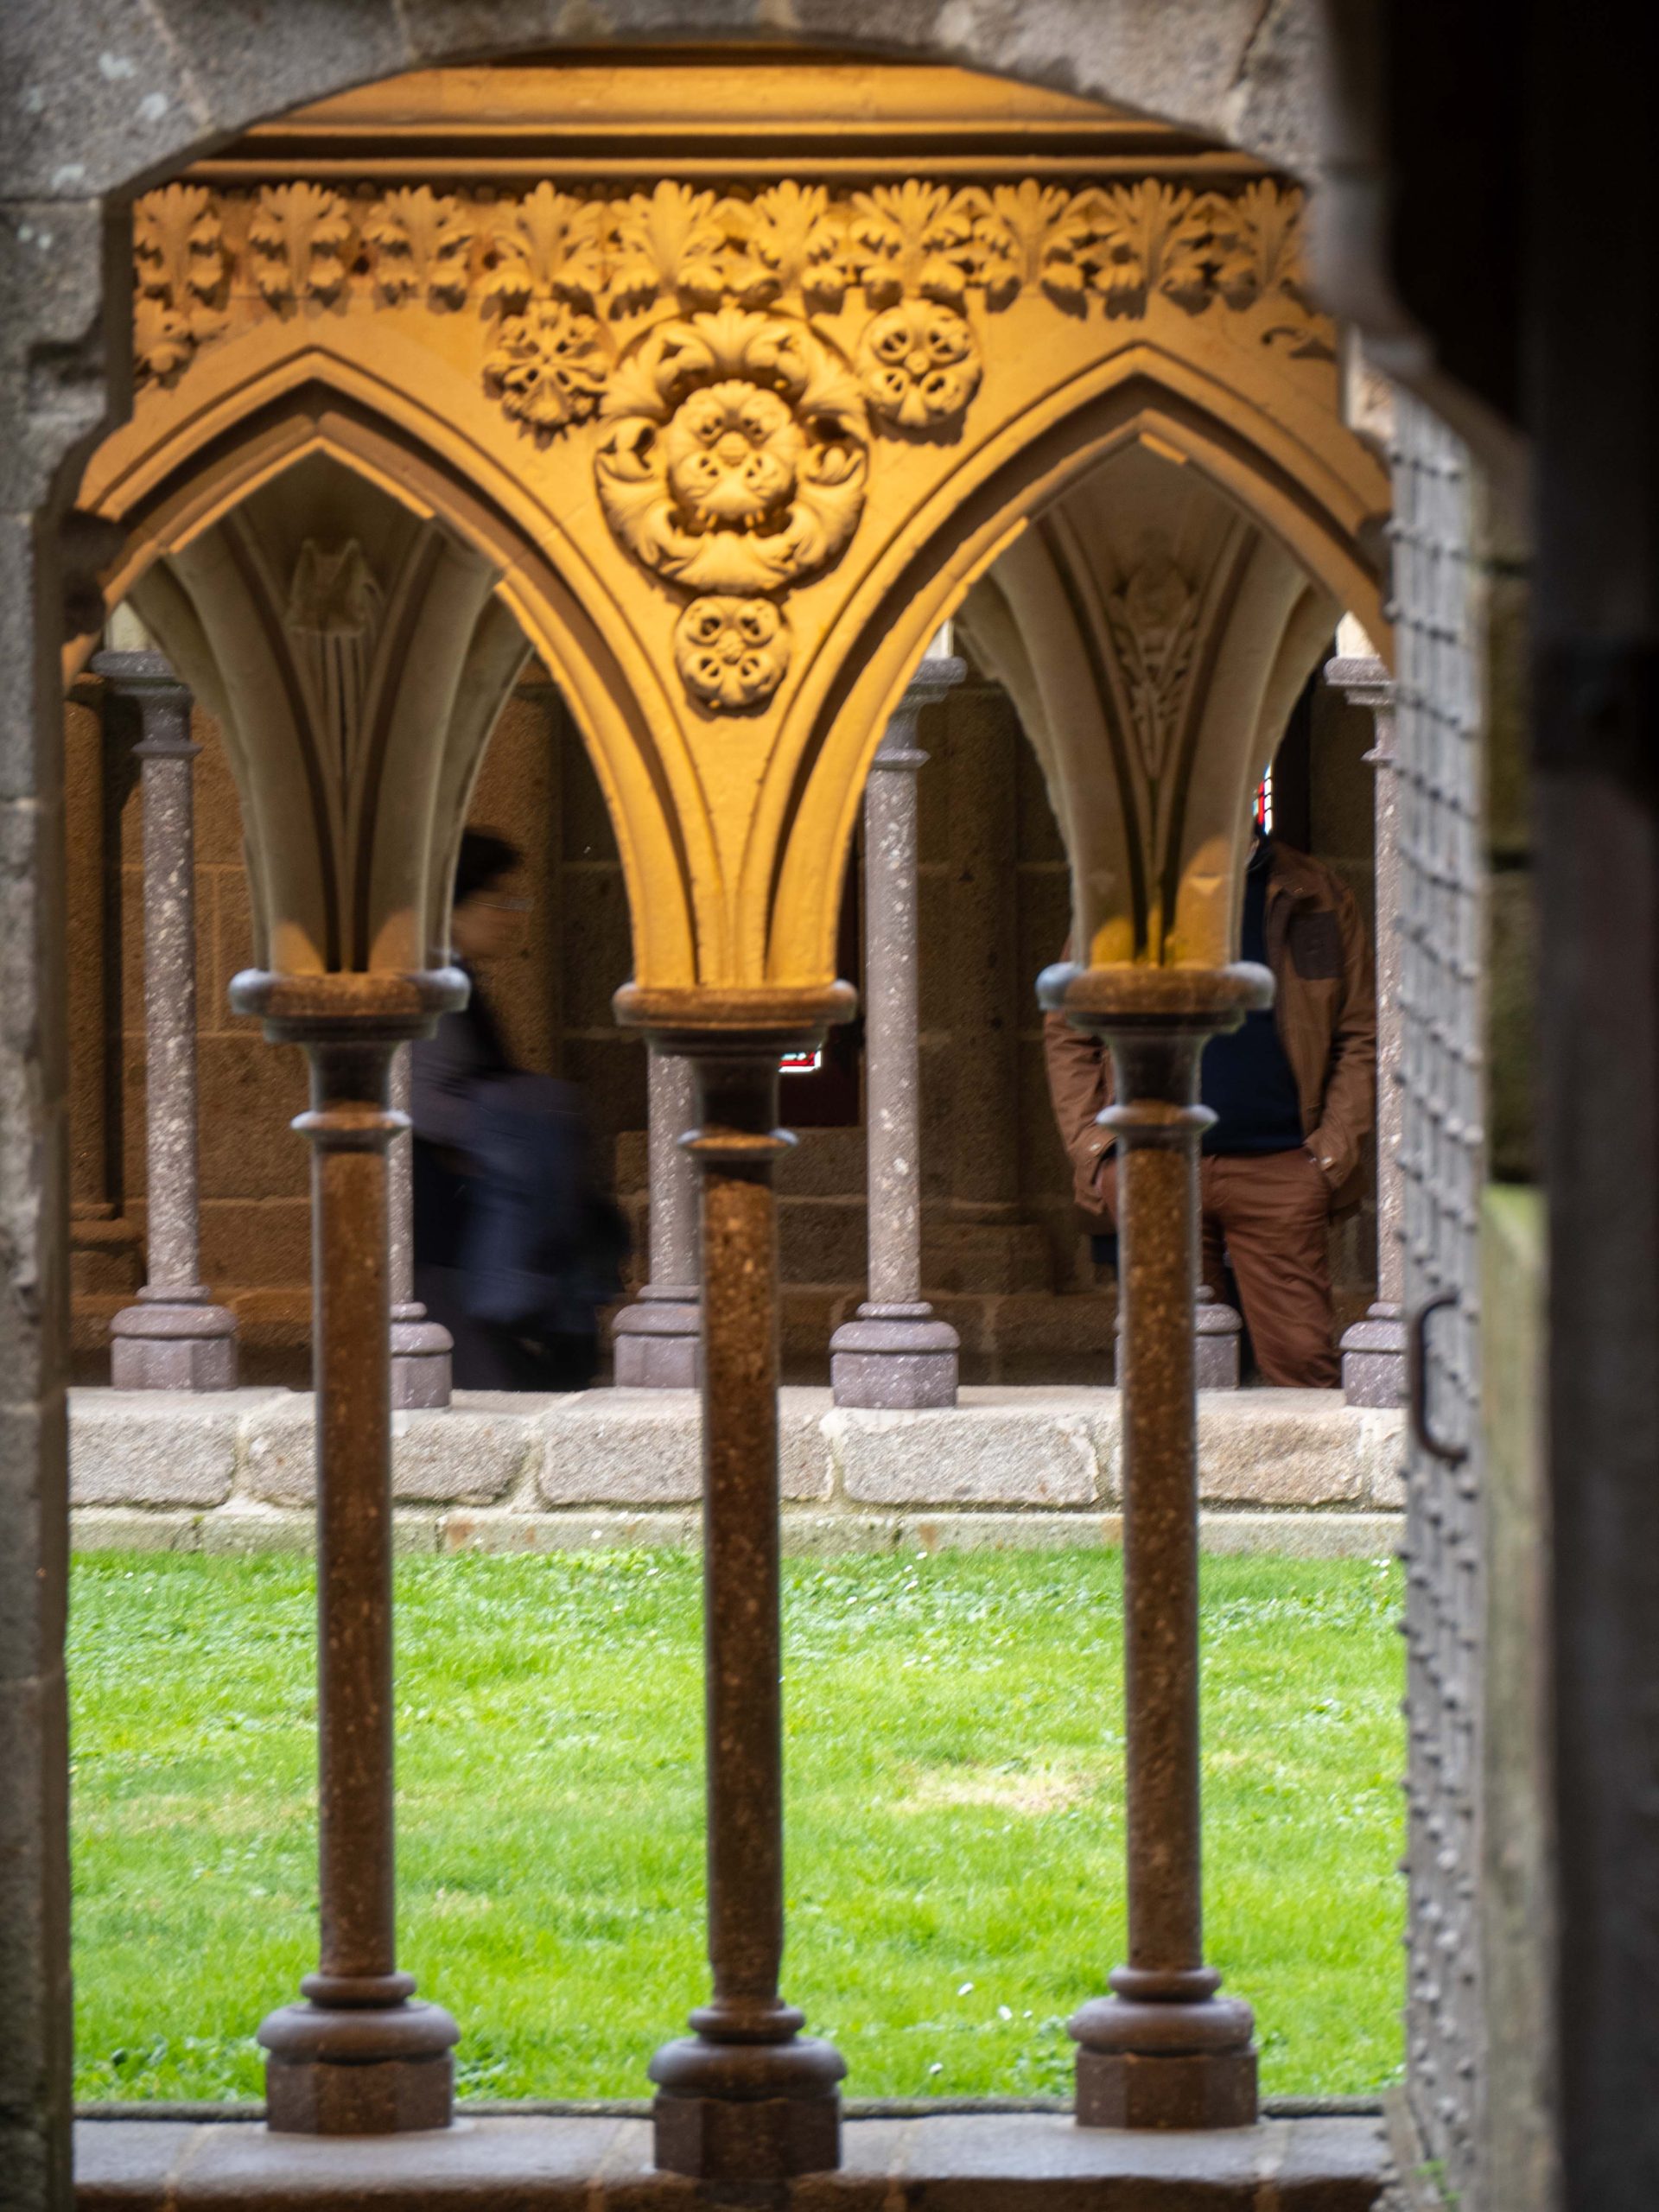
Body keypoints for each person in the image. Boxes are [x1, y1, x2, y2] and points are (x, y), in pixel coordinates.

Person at [1044, 821, 1376, 1388]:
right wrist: (1098, 1152)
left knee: (1303, 1364)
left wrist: (1328, 1156)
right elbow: (1070, 1030)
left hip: (1280, 1167)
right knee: (1171, 1379)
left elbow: (1361, 1033)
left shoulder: (1315, 891)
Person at [412, 829, 626, 1390]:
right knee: (477, 1392)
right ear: (452, 909)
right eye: (499, 901)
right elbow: (423, 1103)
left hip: (470, 1234)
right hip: (450, 1235)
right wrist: (518, 1124)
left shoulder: (453, 982)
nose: (512, 917)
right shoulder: (434, 990)